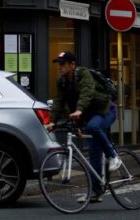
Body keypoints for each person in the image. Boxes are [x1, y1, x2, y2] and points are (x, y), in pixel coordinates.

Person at [45, 51, 120, 203]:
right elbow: (59, 101)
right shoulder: (62, 81)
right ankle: (96, 191)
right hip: (89, 114)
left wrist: (79, 109)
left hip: (105, 110)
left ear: (72, 65)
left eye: (63, 64)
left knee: (93, 127)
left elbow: (87, 92)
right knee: (93, 153)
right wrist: (52, 121)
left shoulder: (83, 73)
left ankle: (113, 157)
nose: (60, 67)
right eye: (59, 64)